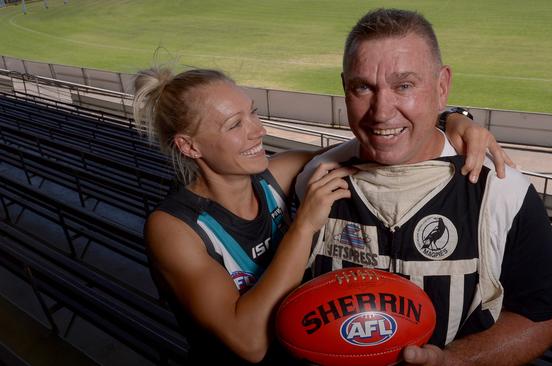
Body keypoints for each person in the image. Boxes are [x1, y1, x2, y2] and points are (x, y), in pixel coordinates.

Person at [132, 66, 511, 364]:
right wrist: (305, 225)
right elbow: (248, 343)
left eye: (253, 114)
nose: (258, 131)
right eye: (235, 125)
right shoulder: (174, 228)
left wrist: (450, 120)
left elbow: (371, 145)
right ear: (189, 145)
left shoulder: (274, 176)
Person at [295, 8, 552, 366]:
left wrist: (458, 360)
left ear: (442, 87)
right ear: (344, 89)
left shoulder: (502, 192)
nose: (381, 111)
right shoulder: (314, 178)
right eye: (363, 87)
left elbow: (545, 314)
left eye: (404, 86)